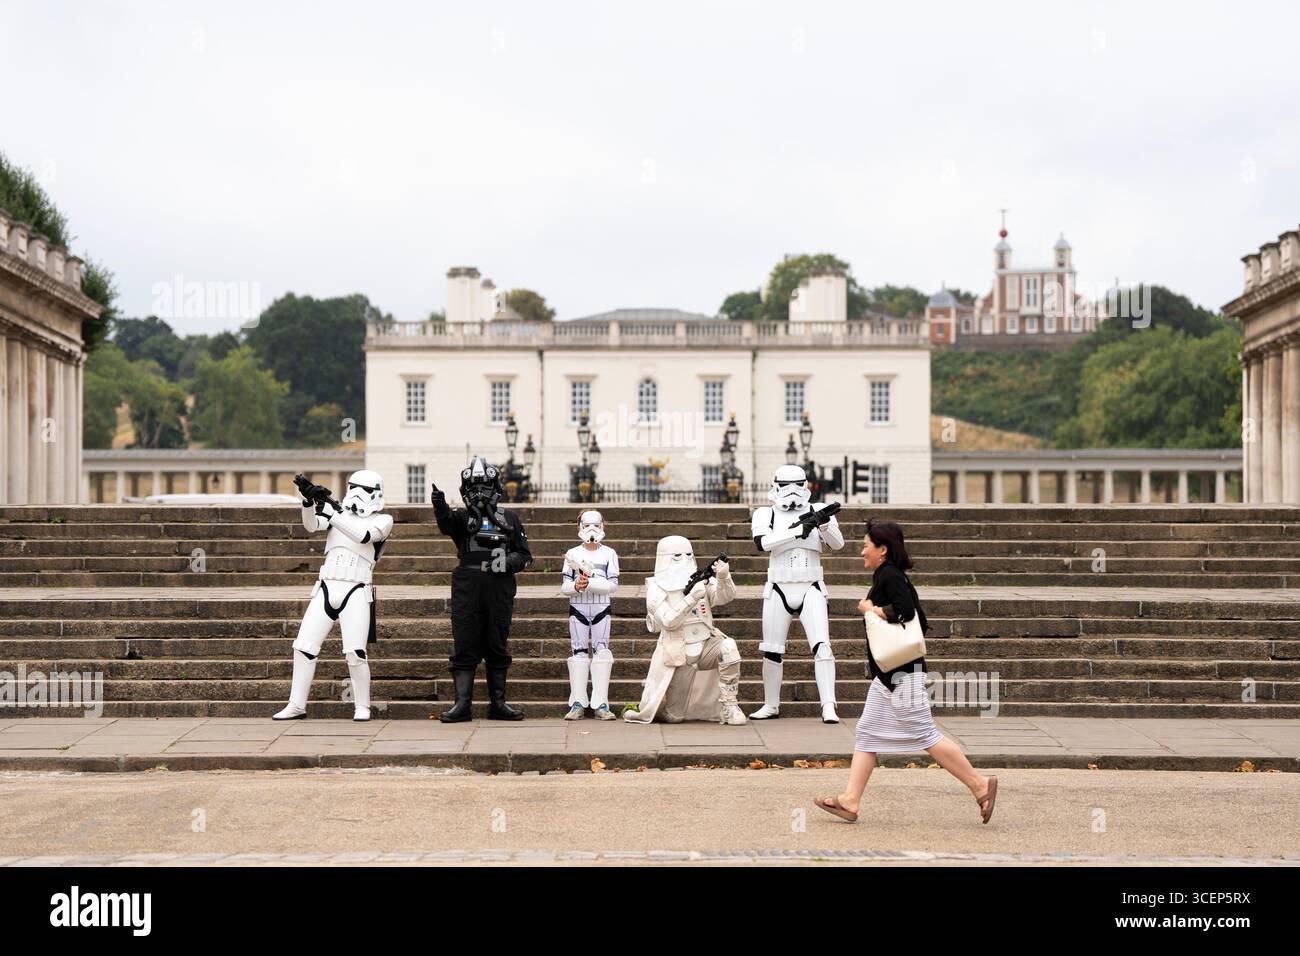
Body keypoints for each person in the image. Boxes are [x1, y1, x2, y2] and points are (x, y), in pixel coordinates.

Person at [815, 518, 999, 825]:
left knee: (925, 734)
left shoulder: (889, 575)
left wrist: (871, 609)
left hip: (902, 676)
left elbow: (907, 612)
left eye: (865, 545)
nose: (862, 551)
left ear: (882, 549)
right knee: (867, 733)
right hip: (889, 677)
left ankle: (980, 786)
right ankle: (850, 800)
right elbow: (921, 619)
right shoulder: (888, 575)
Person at [273, 470, 393, 722]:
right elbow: (312, 525)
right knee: (304, 646)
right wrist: (308, 502)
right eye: (354, 487)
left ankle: (362, 706)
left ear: (375, 494)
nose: (357, 494)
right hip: (327, 586)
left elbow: (364, 536)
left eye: (364, 489)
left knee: (355, 652)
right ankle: (296, 704)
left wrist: (332, 513)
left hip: (356, 589)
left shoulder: (383, 520)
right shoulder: (339, 515)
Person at [431, 456, 532, 722]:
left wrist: (508, 562)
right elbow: (447, 526)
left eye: (484, 484)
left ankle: (498, 703)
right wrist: (440, 506)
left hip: (499, 586)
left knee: (497, 641)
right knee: (465, 639)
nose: (479, 490)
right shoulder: (463, 518)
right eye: (474, 485)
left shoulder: (509, 518)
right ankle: (462, 705)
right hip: (468, 584)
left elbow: (524, 554)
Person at [748, 464, 845, 723]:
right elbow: (762, 543)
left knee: (823, 646)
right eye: (785, 486)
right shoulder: (764, 514)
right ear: (775, 485)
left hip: (810, 585)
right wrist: (797, 530)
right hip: (778, 586)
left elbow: (838, 544)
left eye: (797, 485)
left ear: (806, 485)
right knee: (772, 649)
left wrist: (823, 525)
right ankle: (771, 704)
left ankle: (828, 705)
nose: (792, 492)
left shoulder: (818, 510)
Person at [623, 535, 746, 725]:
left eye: (689, 554)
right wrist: (690, 600)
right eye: (677, 556)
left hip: (706, 644)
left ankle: (730, 705)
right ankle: (661, 707)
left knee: (728, 647)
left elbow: (724, 597)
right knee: (674, 716)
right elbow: (668, 621)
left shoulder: (700, 581)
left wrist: (723, 577)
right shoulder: (656, 587)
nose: (685, 559)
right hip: (677, 653)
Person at [560, 510, 620, 720]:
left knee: (602, 652)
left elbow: (613, 585)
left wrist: (591, 582)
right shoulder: (572, 553)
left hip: (601, 608)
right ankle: (577, 702)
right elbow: (565, 586)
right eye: (587, 525)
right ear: (580, 527)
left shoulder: (609, 553)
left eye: (596, 525)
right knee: (578, 652)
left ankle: (601, 703)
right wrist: (577, 585)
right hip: (578, 607)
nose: (592, 530)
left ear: (603, 526)